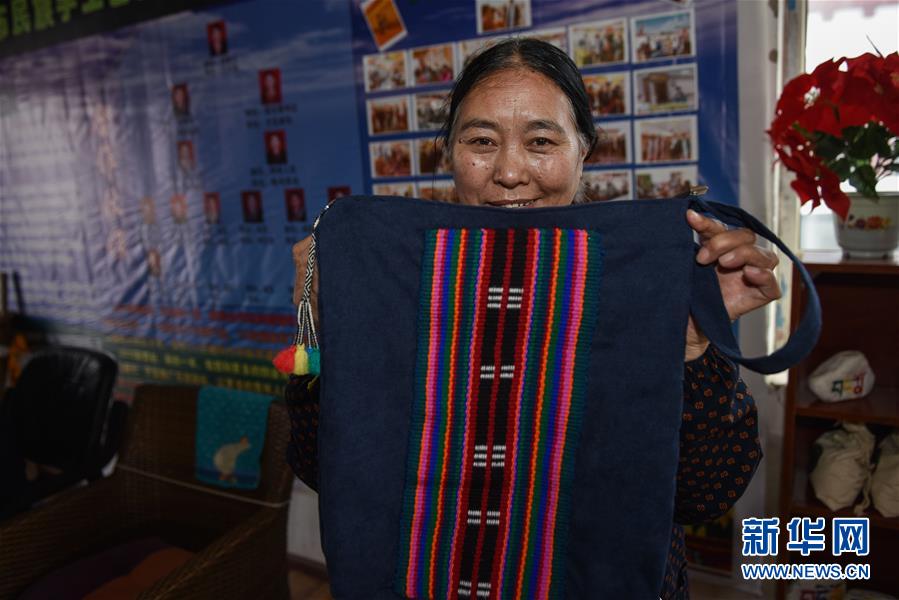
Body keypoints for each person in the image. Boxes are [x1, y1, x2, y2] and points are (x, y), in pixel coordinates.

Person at [290, 38, 779, 599]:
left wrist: (691, 342)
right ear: (448, 153)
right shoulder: (401, 285)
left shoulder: (637, 285)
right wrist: (324, 322)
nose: (509, 171)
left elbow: (707, 494)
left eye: (541, 141)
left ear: (583, 151)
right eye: (481, 141)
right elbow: (321, 467)